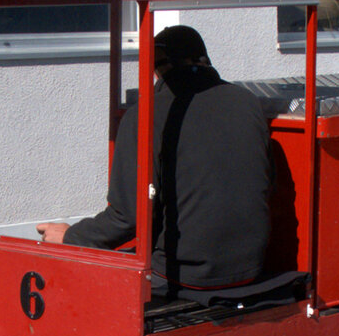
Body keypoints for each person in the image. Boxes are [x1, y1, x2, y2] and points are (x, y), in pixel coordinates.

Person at [37, 25, 272, 291]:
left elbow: (126, 219)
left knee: (73, 281)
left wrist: (71, 236)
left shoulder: (146, 114)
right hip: (250, 268)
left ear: (159, 68)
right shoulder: (248, 103)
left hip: (185, 275)